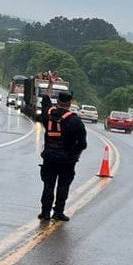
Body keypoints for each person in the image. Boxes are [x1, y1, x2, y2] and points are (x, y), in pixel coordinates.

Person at [37, 73, 87, 222]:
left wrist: (50, 84)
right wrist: (74, 155)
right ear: (70, 103)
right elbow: (83, 143)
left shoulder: (49, 114)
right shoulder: (75, 121)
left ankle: (45, 212)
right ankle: (58, 212)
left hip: (50, 156)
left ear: (57, 101)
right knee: (63, 186)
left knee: (48, 184)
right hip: (66, 160)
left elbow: (45, 99)